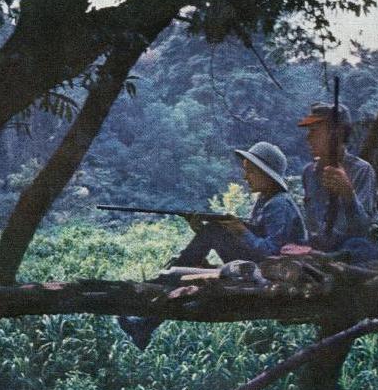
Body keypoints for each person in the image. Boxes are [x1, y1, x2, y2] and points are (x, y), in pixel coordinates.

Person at [119, 141, 306, 349]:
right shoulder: (265, 200)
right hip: (259, 266)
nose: (246, 177)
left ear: (267, 174)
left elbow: (271, 252)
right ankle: (149, 315)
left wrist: (240, 230)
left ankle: (157, 295)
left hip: (277, 271)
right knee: (211, 231)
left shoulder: (279, 204)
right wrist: (202, 230)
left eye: (251, 171)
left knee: (213, 231)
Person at [285, 101, 378, 263]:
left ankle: (327, 260)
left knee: (360, 247)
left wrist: (347, 193)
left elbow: (363, 229)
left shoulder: (362, 170)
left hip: (350, 250)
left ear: (336, 133)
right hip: (320, 248)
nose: (308, 138)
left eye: (314, 132)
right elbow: (313, 226)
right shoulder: (309, 173)